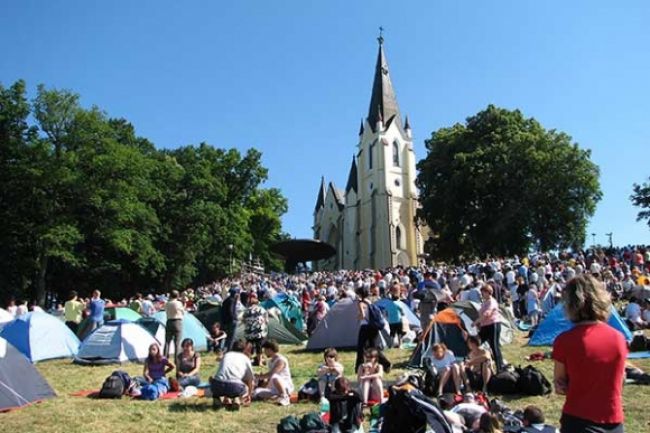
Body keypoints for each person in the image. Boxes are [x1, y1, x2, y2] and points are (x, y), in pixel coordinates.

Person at [552, 274, 627, 433]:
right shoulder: (619, 338)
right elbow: (621, 379)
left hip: (578, 420)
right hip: (614, 421)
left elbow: (560, 386)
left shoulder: (564, 341)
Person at [354, 286, 391, 373]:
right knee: (373, 347)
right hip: (373, 327)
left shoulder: (360, 303)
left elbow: (362, 315)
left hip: (365, 327)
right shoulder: (370, 302)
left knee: (361, 348)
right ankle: (386, 363)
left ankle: (358, 367)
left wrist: (358, 317)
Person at [211, 339, 254, 411]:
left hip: (217, 385)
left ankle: (217, 399)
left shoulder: (226, 355)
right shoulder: (245, 358)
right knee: (244, 386)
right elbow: (250, 380)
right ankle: (236, 399)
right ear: (244, 349)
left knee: (220, 382)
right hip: (234, 387)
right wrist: (249, 395)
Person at [254, 339, 294, 406]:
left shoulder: (281, 360)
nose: (264, 352)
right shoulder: (270, 362)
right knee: (256, 392)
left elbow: (272, 374)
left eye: (265, 350)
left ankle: (285, 397)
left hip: (285, 386)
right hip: (274, 388)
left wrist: (258, 376)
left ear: (270, 349)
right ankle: (277, 397)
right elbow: (269, 378)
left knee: (275, 376)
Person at [473, 284, 503, 371]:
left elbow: (487, 314)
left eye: (483, 292)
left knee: (494, 346)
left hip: (493, 325)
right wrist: (479, 323)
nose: (482, 294)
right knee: (476, 342)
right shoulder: (485, 302)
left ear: (488, 292)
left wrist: (476, 322)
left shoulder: (492, 302)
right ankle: (476, 362)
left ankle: (499, 367)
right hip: (485, 326)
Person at [242, 292, 268, 366]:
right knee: (259, 347)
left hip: (249, 332)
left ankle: (248, 361)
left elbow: (243, 320)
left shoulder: (246, 310)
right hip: (258, 332)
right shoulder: (261, 309)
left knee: (249, 347)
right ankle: (259, 362)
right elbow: (266, 320)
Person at [164, 290, 184, 358]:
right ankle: (177, 359)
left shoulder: (167, 303)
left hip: (169, 321)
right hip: (177, 321)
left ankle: (165, 357)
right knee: (177, 343)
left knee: (167, 342)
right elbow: (182, 312)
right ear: (177, 296)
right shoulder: (178, 303)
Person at [221, 287, 240, 351]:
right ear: (235, 293)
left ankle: (224, 349)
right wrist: (235, 318)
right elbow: (231, 311)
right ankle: (229, 350)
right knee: (231, 337)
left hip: (226, 321)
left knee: (227, 336)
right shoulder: (232, 300)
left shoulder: (226, 300)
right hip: (232, 321)